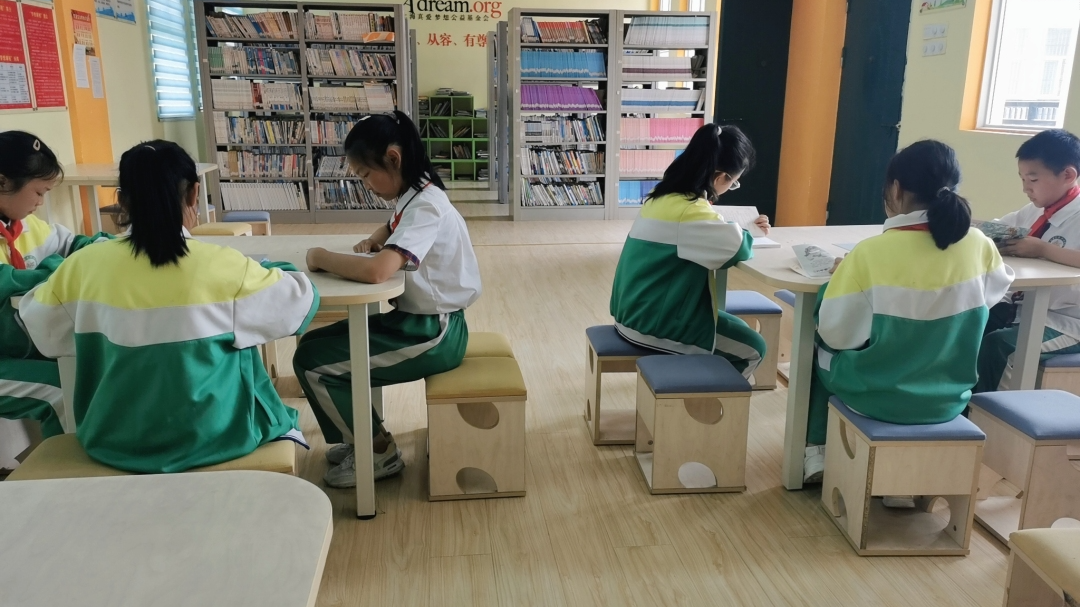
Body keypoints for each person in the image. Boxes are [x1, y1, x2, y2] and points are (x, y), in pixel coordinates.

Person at [19, 140, 319, 473]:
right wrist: (277, 268)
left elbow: (43, 331)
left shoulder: (82, 266)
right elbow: (299, 301)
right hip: (215, 437)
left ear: (121, 201)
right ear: (194, 194)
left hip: (113, 440)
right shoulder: (224, 265)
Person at [803, 140, 1013, 491]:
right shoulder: (979, 244)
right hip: (948, 400)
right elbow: (996, 289)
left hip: (878, 397)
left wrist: (836, 281)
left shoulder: (870, 253)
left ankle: (817, 452)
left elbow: (836, 332)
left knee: (820, 350)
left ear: (896, 190)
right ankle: (901, 485)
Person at [296, 111, 482, 488]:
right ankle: (364, 437)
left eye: (366, 175)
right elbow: (393, 223)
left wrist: (320, 257)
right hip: (414, 322)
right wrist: (376, 238)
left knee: (315, 364)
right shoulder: (416, 191)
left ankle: (378, 453)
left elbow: (377, 272)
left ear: (393, 158)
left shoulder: (427, 204)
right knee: (313, 345)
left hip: (434, 333)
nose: (366, 185)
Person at [609, 123, 771, 378]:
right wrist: (750, 230)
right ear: (719, 177)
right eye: (734, 182)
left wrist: (740, 227)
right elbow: (738, 248)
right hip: (655, 325)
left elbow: (707, 231)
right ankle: (707, 397)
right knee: (754, 348)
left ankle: (699, 388)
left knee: (736, 325)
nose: (731, 188)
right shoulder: (691, 212)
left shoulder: (663, 196)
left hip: (631, 312)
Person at [0, 131, 110, 438]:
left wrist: (110, 248)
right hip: (7, 353)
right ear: (3, 182)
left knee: (94, 365)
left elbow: (72, 245)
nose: (41, 202)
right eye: (38, 192)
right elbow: (8, 282)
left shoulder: (24, 225)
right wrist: (59, 270)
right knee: (61, 390)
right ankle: (69, 468)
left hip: (16, 346)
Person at [976, 129, 1080, 393]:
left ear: (1068, 175)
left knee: (1001, 345)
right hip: (1026, 309)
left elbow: (1044, 250)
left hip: (1068, 322)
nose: (1025, 188)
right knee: (969, 322)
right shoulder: (1035, 211)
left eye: (1033, 179)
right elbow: (996, 227)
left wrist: (1043, 249)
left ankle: (984, 415)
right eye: (1022, 179)